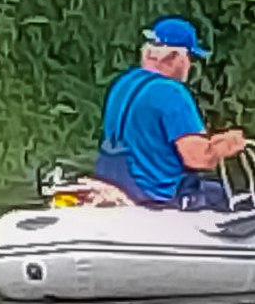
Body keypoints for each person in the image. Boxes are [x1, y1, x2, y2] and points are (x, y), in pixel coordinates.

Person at [95, 16, 247, 211]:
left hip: (115, 185)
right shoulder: (172, 93)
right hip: (156, 194)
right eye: (190, 57)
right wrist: (227, 145)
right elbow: (198, 158)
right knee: (233, 197)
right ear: (174, 57)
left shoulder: (123, 83)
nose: (190, 65)